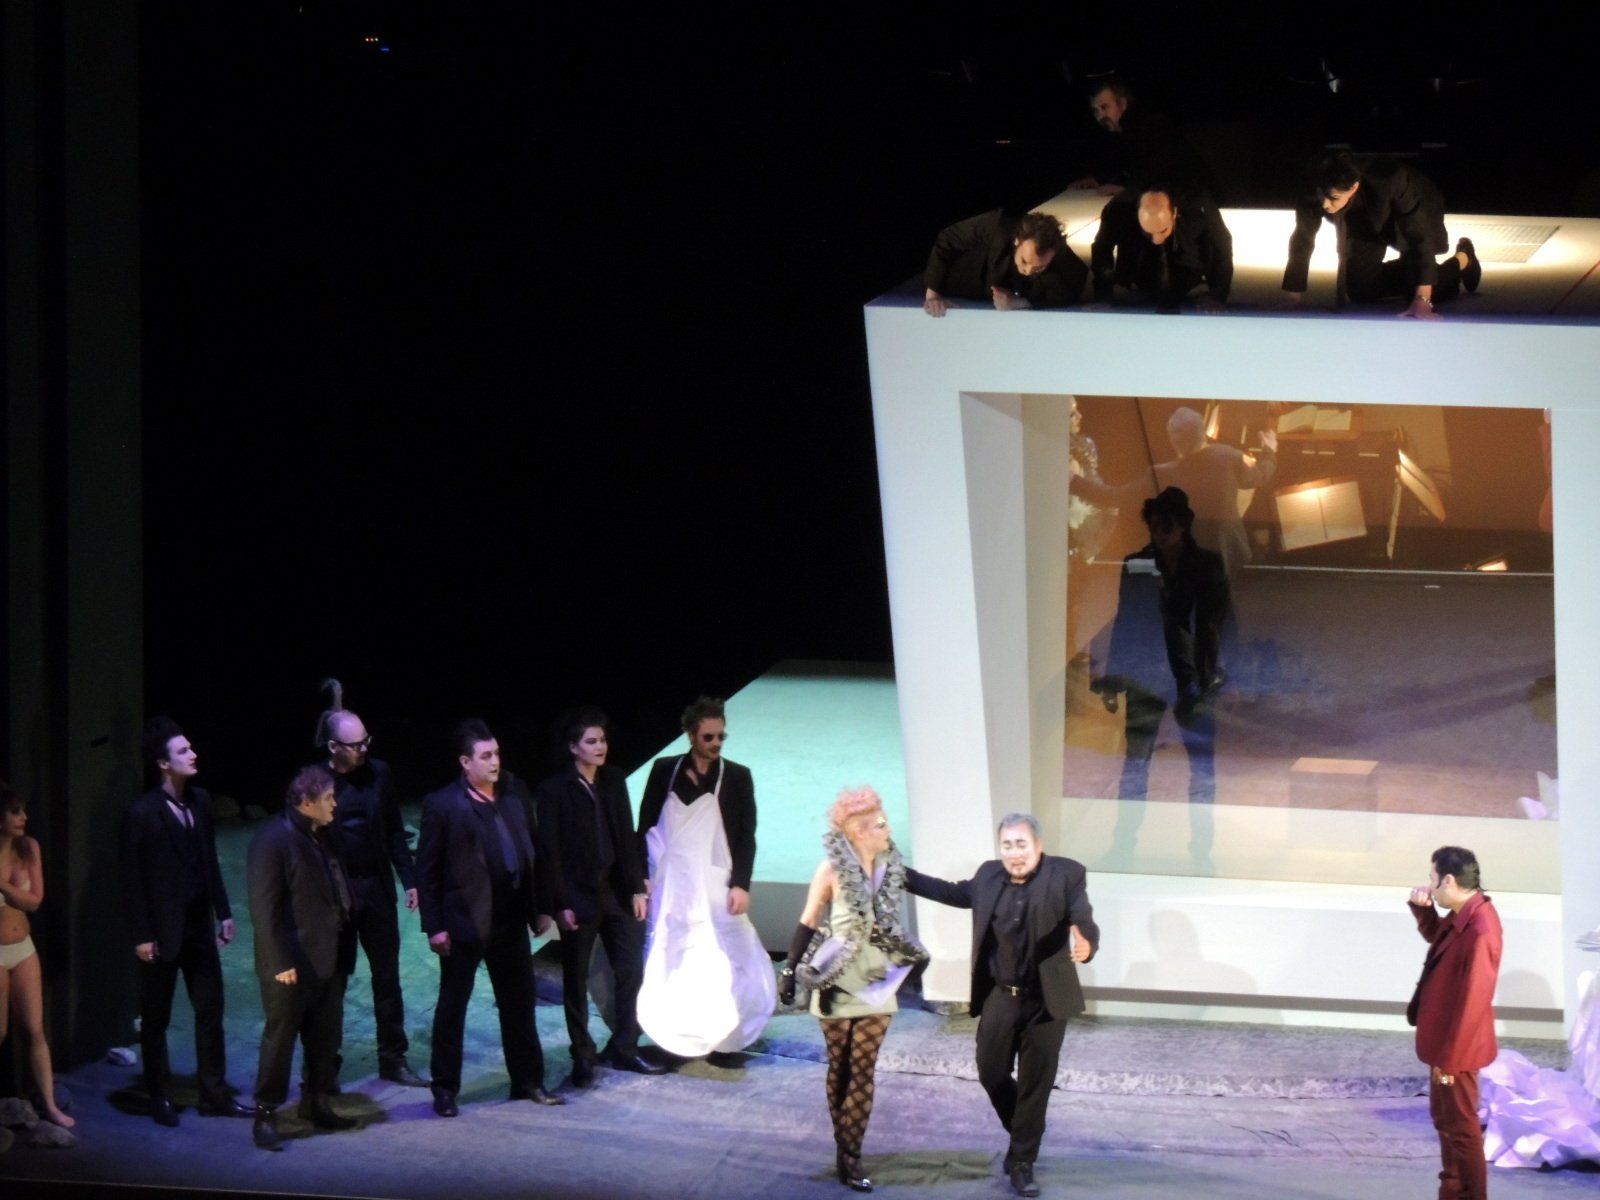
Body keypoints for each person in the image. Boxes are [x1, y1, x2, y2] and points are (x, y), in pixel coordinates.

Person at [904, 814, 1099, 1198]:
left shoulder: (1067, 874)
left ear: (1038, 846)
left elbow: (1083, 917)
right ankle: (1027, 1130)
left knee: (1035, 1083)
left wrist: (1087, 942)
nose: (1014, 853)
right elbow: (947, 892)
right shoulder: (988, 876)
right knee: (990, 1071)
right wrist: (894, 871)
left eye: (1021, 844)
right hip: (1001, 995)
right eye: (1007, 845)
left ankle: (1022, 1160)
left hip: (1046, 999)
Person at [777, 786, 926, 1192]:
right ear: (859, 832)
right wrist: (789, 971)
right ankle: (842, 1146)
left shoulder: (891, 866)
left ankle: (851, 1155)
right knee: (840, 1067)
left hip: (878, 977)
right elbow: (809, 919)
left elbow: (936, 888)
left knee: (863, 1069)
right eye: (880, 824)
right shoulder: (831, 869)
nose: (888, 829)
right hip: (838, 977)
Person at [416, 719, 564, 1117]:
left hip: (510, 918)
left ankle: (528, 1081)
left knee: (519, 1005)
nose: (495, 761)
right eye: (485, 756)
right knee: (453, 1008)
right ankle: (445, 1089)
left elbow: (534, 850)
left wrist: (541, 906)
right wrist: (435, 926)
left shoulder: (514, 792)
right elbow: (427, 872)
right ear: (465, 762)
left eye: (496, 753)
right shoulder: (444, 805)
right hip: (465, 922)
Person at [120, 717, 254, 1126]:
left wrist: (224, 911)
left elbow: (209, 859)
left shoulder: (200, 801)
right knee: (156, 1017)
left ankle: (214, 1094)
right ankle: (160, 1095)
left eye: (190, 748)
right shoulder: (142, 812)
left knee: (210, 1011)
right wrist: (142, 935)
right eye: (183, 751)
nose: (193, 755)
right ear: (163, 763)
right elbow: (132, 880)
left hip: (197, 926)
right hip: (162, 931)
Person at [636, 696, 774, 1061]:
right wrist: (642, 877)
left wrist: (741, 884)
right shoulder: (665, 770)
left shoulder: (737, 776)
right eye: (708, 737)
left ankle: (726, 1036)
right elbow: (646, 825)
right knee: (674, 953)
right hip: (672, 883)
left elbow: (745, 836)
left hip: (715, 882)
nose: (716, 744)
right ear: (691, 735)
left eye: (721, 736)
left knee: (727, 953)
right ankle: (678, 1036)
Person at [532, 707, 663, 1086]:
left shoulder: (613, 780)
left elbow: (626, 834)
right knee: (575, 979)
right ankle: (582, 1055)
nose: (600, 747)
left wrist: (637, 886)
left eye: (602, 740)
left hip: (616, 893)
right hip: (578, 898)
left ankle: (625, 1045)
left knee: (631, 969)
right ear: (574, 747)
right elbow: (550, 853)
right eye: (591, 741)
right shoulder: (554, 790)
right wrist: (560, 903)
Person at [312, 680, 426, 1087]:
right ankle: (325, 1063)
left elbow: (394, 829)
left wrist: (408, 879)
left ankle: (392, 1058)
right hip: (336, 895)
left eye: (366, 741)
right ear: (333, 747)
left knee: (387, 977)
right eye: (355, 745)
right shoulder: (314, 782)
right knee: (334, 982)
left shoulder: (380, 774)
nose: (363, 749)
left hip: (375, 887)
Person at [247, 765, 357, 1151]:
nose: (335, 804)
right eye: (328, 798)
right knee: (281, 1038)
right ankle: (266, 1112)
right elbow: (265, 910)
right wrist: (279, 962)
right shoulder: (273, 840)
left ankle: (316, 1101)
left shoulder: (323, 835)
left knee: (324, 1036)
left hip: (328, 956)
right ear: (307, 803)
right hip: (291, 963)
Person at [1071, 406, 1277, 584]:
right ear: (1203, 433)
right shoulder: (1229, 457)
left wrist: (1074, 481)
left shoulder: (1162, 475)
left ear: (1172, 441)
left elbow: (1114, 497)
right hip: (1228, 555)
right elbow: (1260, 475)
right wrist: (1269, 450)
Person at [1406, 845, 1503, 1200]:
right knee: (1446, 1121)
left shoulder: (1481, 929)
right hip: (1446, 1045)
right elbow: (1441, 942)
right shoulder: (1465, 914)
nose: (1430, 886)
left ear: (1448, 880)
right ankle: (1452, 1191)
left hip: (1457, 1052)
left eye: (1433, 879)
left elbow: (1473, 1003)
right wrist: (1423, 911)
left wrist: (1449, 1060)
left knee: (1461, 1129)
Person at [1281, 151, 1481, 319]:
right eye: (1322, 196)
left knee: (1420, 286)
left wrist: (1423, 299)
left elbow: (1418, 234)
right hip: (1363, 218)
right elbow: (1303, 238)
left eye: (1334, 197)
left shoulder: (1391, 179)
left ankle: (1464, 259)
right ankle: (1411, 271)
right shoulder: (1314, 184)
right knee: (1361, 290)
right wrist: (1293, 297)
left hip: (1417, 204)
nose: (1325, 205)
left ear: (1353, 187)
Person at [0, 782, 74, 1128]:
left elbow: (34, 901)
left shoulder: (29, 847)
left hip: (24, 948)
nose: (24, 817)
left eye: (23, 811)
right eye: (15, 812)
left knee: (35, 1029)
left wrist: (3, 885)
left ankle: (50, 1106)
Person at [1090, 186, 1233, 313]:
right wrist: (1103, 297)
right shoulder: (1119, 208)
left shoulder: (1199, 206)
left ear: (1174, 213)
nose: (1156, 240)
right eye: (1148, 232)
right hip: (1136, 274)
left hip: (1190, 275)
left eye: (1162, 230)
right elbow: (1102, 248)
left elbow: (1222, 245)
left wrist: (1217, 296)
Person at [922, 210, 1088, 317]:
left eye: (1039, 267)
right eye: (1024, 261)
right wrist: (933, 294)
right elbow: (948, 239)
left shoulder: (1060, 255)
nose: (1028, 270)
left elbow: (1071, 288)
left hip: (1016, 292)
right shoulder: (997, 226)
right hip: (968, 281)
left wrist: (1021, 303)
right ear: (1017, 241)